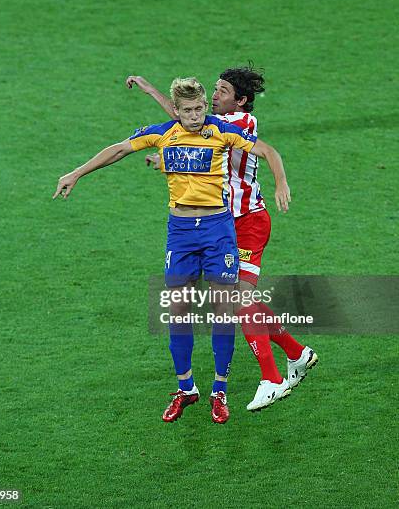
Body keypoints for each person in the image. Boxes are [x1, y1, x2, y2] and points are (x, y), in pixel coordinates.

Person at [54, 77, 275, 424]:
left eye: (200, 108)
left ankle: (220, 391)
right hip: (182, 233)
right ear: (176, 111)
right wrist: (77, 173)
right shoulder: (163, 133)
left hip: (218, 231)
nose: (195, 116)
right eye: (187, 111)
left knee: (222, 311)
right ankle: (186, 388)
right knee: (179, 312)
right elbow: (119, 149)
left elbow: (266, 150)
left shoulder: (220, 130)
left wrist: (283, 181)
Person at [126, 66, 318, 411]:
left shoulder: (240, 124)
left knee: (238, 301)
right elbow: (184, 123)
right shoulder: (213, 123)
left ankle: (272, 379)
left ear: (241, 101)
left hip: (247, 222)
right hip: (228, 223)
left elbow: (193, 121)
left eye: (222, 91)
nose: (214, 97)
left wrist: (282, 183)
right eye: (214, 89)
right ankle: (296, 352)